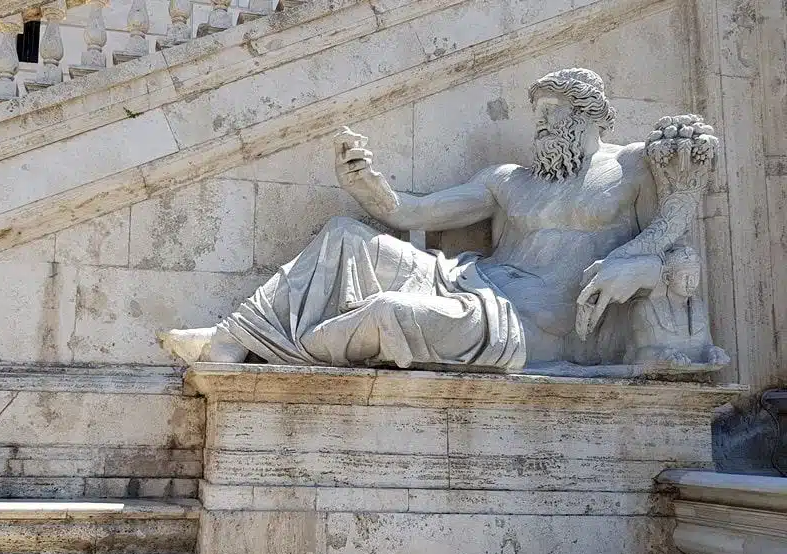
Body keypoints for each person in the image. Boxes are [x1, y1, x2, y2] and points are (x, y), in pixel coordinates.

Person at [159, 67, 724, 375]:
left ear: (591, 116)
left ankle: (292, 347)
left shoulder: (628, 167)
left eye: (554, 113)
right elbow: (410, 213)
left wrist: (639, 264)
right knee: (346, 236)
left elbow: (671, 237)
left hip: (533, 328)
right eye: (539, 115)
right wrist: (364, 181)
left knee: (389, 313)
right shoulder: (509, 180)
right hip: (473, 283)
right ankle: (234, 339)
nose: (543, 125)